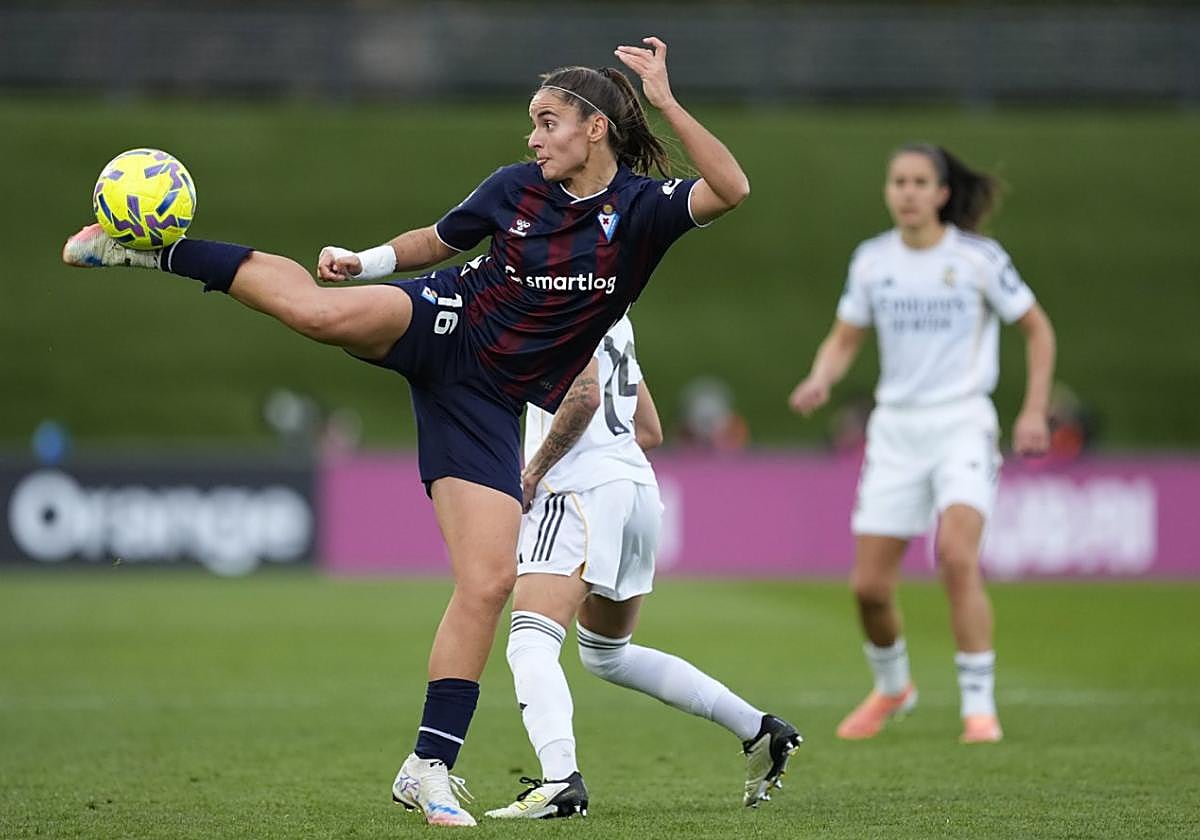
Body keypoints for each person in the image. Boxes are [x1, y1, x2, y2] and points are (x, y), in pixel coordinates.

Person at [61, 37, 750, 827]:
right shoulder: (514, 188)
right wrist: (365, 261)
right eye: (532, 122)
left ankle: (426, 768)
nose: (532, 137)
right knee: (315, 312)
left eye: (547, 121)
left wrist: (665, 100)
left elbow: (732, 188)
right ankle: (154, 254)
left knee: (488, 581)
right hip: (445, 318)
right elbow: (439, 241)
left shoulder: (642, 211)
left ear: (595, 127)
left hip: (488, 401)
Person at [788, 143, 1056, 745]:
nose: (907, 192)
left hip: (962, 422)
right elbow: (845, 337)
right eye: (898, 182)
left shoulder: (978, 259)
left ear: (941, 194)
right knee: (869, 589)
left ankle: (979, 709)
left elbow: (1037, 329)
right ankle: (893, 688)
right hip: (896, 430)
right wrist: (821, 377)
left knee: (956, 556)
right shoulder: (872, 261)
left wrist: (1034, 409)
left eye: (918, 182)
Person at [483, 315, 801, 820]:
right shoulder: (616, 311)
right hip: (636, 489)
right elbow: (649, 431)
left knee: (530, 640)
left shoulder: (558, 297)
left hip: (577, 490)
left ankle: (560, 780)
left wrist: (532, 473)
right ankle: (758, 729)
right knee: (607, 655)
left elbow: (585, 397)